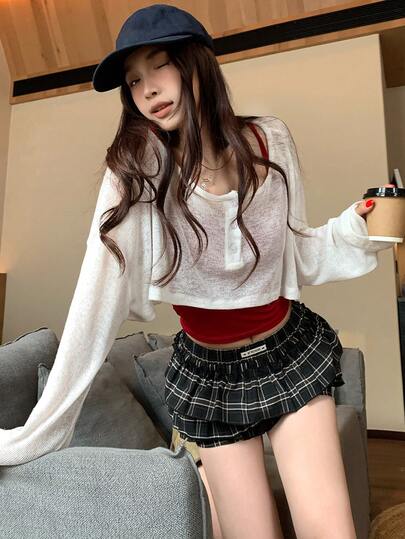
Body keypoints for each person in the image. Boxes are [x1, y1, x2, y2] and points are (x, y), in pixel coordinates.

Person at [0, 4, 395, 538]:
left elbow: (294, 252)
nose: (147, 89)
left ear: (196, 62)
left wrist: (356, 229)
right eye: (133, 80)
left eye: (160, 65)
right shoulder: (137, 173)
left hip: (287, 350)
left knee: (331, 532)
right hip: (209, 375)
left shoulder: (270, 140)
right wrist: (41, 428)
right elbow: (96, 295)